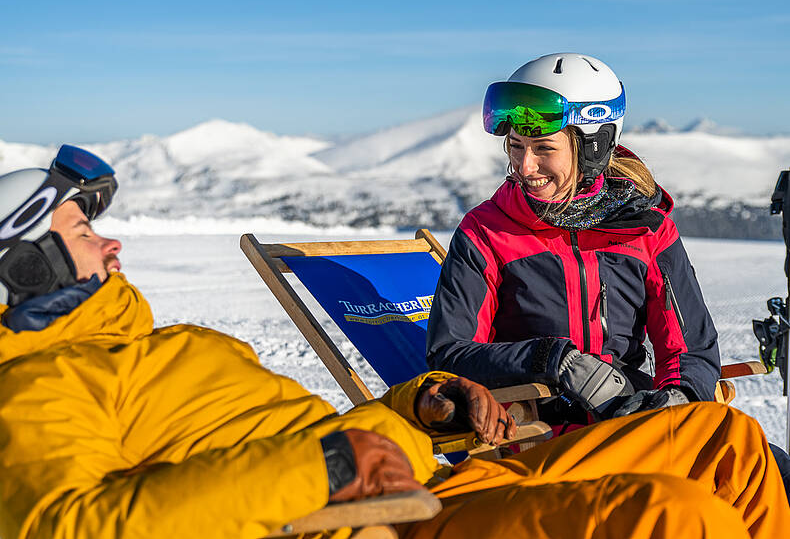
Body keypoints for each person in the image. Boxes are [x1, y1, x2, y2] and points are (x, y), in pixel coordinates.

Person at [0, 146, 787, 539]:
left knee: (720, 434)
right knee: (665, 512)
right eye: (84, 231)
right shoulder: (37, 387)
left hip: (435, 474)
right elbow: (66, 526)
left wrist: (427, 403)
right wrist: (330, 464)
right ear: (28, 263)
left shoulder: (158, 345)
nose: (113, 248)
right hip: (376, 520)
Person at [426, 52, 721, 425]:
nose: (524, 166)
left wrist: (680, 396)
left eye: (544, 148)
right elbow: (451, 353)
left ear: (593, 146)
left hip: (632, 422)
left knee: (762, 462)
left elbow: (690, 346)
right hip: (536, 433)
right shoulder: (486, 231)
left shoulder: (646, 227)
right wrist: (553, 360)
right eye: (516, 146)